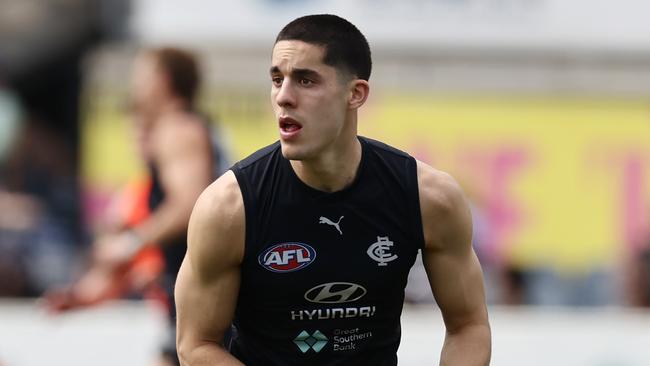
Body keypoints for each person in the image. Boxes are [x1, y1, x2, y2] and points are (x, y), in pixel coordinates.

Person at [175, 14, 491, 365]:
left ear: (355, 94)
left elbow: (469, 327)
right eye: (277, 79)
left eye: (305, 80)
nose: (283, 97)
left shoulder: (428, 196)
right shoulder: (228, 207)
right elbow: (196, 345)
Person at [45, 47, 228, 366]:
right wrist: (82, 297)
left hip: (212, 296)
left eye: (141, 75)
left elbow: (189, 205)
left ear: (163, 80)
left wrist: (128, 244)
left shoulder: (177, 128)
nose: (134, 85)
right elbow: (124, 266)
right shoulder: (178, 142)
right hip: (196, 301)